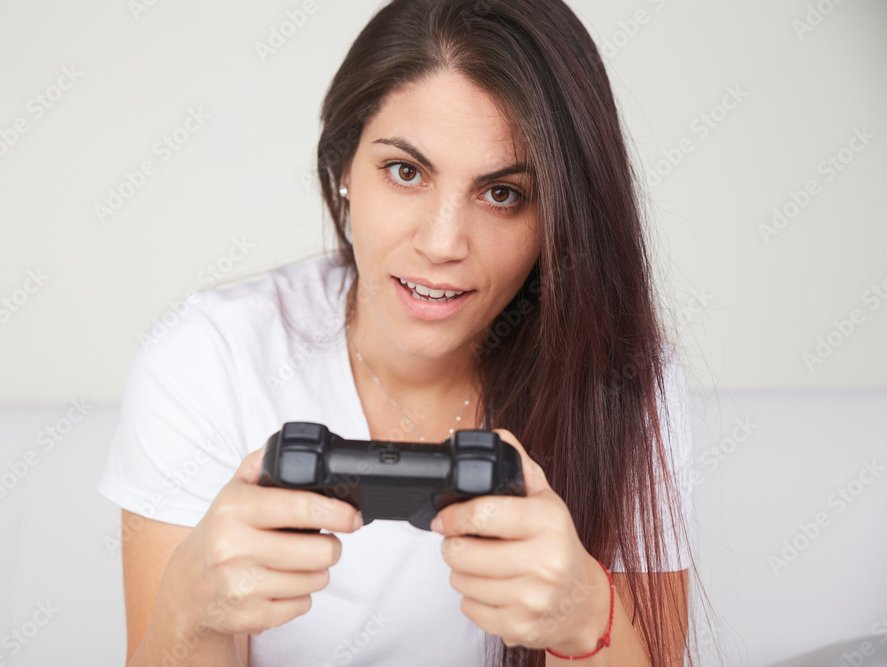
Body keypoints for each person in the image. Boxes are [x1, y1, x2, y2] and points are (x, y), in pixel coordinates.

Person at [97, 1, 722, 665]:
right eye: (406, 171)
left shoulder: (621, 378)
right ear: (343, 167)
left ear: (560, 218)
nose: (443, 242)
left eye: (503, 193)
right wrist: (191, 613)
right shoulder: (208, 357)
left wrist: (585, 617)